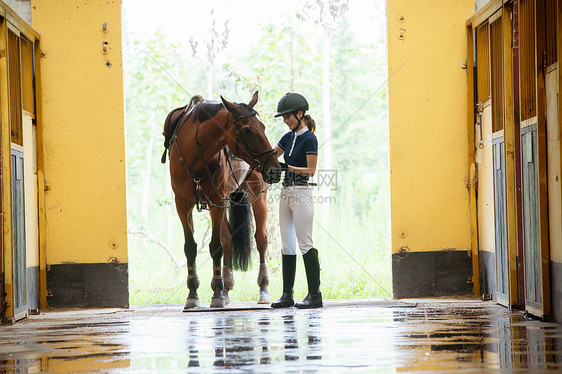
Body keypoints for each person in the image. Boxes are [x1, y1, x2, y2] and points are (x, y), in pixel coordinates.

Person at [271, 92, 322, 309]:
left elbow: (311, 170)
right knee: (287, 244)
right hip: (285, 192)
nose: (286, 120)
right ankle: (287, 295)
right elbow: (272, 155)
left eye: (288, 116)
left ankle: (314, 295)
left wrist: (288, 167)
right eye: (283, 117)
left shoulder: (310, 138)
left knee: (305, 243)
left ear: (300, 114)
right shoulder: (287, 137)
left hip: (302, 192)